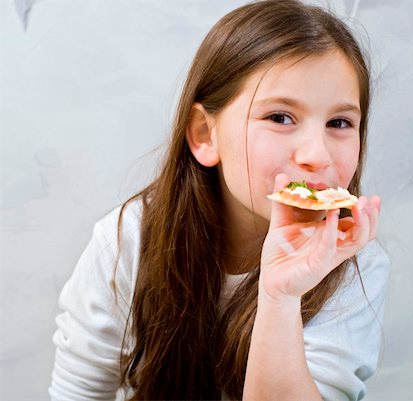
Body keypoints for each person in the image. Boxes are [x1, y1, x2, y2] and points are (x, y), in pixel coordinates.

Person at [49, 0, 390, 400]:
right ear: (205, 135)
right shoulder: (129, 239)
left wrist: (281, 297)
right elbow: (78, 392)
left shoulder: (354, 266)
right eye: (280, 117)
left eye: (340, 123)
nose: (317, 154)